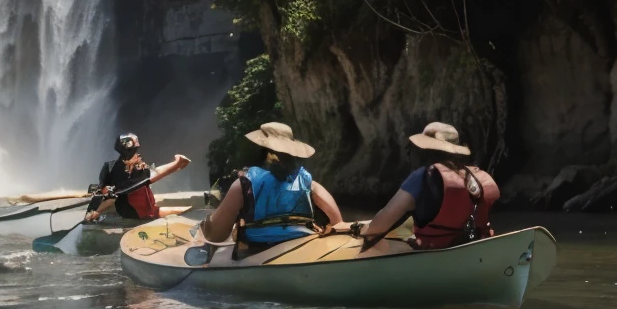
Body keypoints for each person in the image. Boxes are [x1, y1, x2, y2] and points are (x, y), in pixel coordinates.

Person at [339, 120, 499, 253]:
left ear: (424, 150)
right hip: (475, 249)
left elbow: (379, 225)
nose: (411, 153)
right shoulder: (475, 177)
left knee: (371, 243)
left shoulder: (423, 177)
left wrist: (364, 232)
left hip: (434, 252)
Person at [202, 120, 342, 251]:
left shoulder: (243, 185)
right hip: (303, 248)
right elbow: (338, 224)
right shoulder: (310, 185)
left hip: (257, 252)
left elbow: (215, 236)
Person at [84, 133, 191, 223]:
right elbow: (105, 194)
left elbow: (153, 174)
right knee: (186, 211)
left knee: (185, 211)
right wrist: (93, 212)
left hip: (146, 210)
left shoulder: (137, 168)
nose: (137, 155)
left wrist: (176, 166)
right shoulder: (114, 168)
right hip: (136, 212)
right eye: (133, 152)